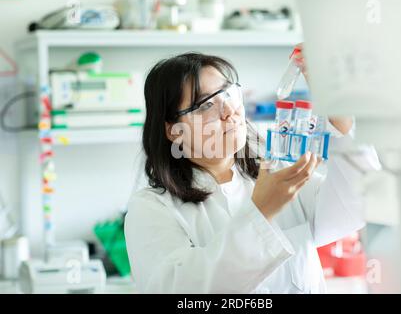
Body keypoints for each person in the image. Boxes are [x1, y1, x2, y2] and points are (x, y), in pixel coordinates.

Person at [124, 45, 377, 293]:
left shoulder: (280, 176)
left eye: (228, 95)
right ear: (173, 130)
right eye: (205, 105)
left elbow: (361, 204)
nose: (229, 111)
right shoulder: (151, 209)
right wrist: (261, 210)